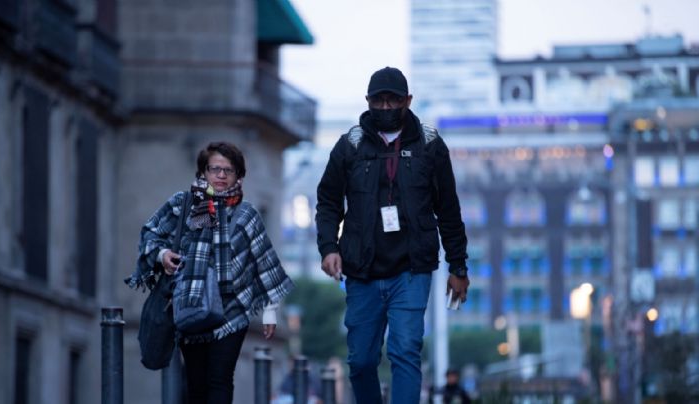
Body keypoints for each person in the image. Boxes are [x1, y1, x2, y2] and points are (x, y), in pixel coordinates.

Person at [315, 66, 470, 404]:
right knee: (361, 361)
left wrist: (458, 268)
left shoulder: (430, 146)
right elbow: (327, 201)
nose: (385, 107)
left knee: (405, 351)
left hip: (411, 270)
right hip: (361, 270)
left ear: (407, 100)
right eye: (378, 100)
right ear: (368, 101)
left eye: (393, 100)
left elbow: (449, 210)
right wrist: (328, 248)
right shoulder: (349, 146)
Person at [126, 141, 294, 403]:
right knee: (197, 382)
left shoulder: (247, 213)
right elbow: (151, 233)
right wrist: (163, 255)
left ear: (239, 175)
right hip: (190, 304)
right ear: (203, 172)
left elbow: (264, 260)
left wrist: (270, 312)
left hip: (232, 311)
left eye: (229, 170)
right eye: (215, 168)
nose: (221, 175)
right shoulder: (182, 204)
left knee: (220, 378)